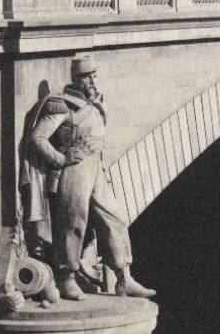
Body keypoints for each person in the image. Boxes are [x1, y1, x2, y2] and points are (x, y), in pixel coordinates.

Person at [22, 55, 156, 301]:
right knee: (74, 221)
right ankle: (66, 278)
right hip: (74, 170)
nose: (94, 81)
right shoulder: (62, 105)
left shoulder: (95, 105)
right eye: (88, 77)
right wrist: (61, 160)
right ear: (78, 79)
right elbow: (38, 138)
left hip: (95, 169)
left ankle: (124, 278)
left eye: (95, 75)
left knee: (114, 218)